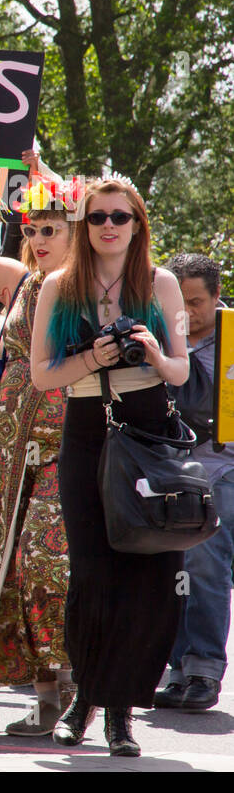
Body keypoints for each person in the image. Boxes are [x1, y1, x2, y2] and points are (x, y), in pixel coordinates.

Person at [30, 177, 190, 756]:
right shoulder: (57, 285)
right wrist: (87, 357)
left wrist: (148, 349)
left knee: (147, 570)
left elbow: (180, 372)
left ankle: (120, 712)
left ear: (137, 224)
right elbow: (42, 375)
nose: (108, 227)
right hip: (87, 427)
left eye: (120, 217)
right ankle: (85, 697)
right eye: (97, 218)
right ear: (84, 224)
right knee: (91, 570)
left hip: (149, 427)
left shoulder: (162, 283)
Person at [0, 168, 77, 736]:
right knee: (7, 568)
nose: (40, 238)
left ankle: (79, 677)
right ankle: (46, 692)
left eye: (52, 228)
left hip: (68, 440)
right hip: (7, 444)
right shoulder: (23, 280)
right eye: (33, 228)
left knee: (46, 561)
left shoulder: (90, 287)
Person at [155, 253, 232, 712]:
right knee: (170, 569)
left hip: (221, 467)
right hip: (168, 467)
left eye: (196, 302)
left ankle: (204, 667)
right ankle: (179, 668)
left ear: (217, 296)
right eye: (177, 302)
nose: (186, 312)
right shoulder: (160, 335)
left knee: (204, 561)